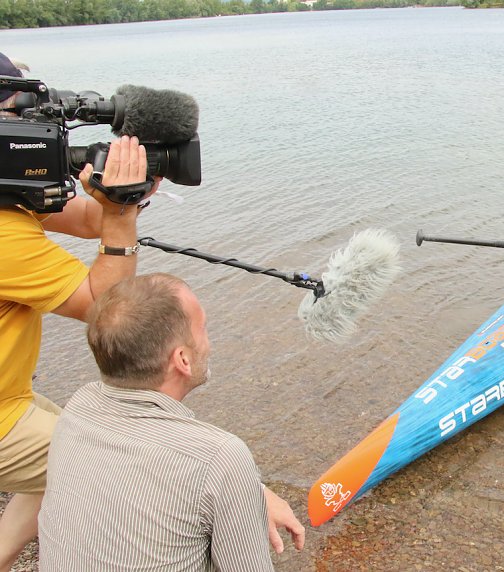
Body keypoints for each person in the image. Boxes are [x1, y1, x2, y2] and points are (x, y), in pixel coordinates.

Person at [0, 52, 159, 570]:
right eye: (16, 112)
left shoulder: (10, 192)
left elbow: (90, 219)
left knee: (55, 459)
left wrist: (131, 189)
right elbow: (105, 309)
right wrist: (120, 220)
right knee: (110, 462)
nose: (29, 127)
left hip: (10, 396)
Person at [38, 273, 306, 571]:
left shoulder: (79, 406)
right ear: (183, 359)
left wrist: (248, 491)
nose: (208, 342)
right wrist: (236, 484)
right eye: (203, 329)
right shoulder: (221, 456)